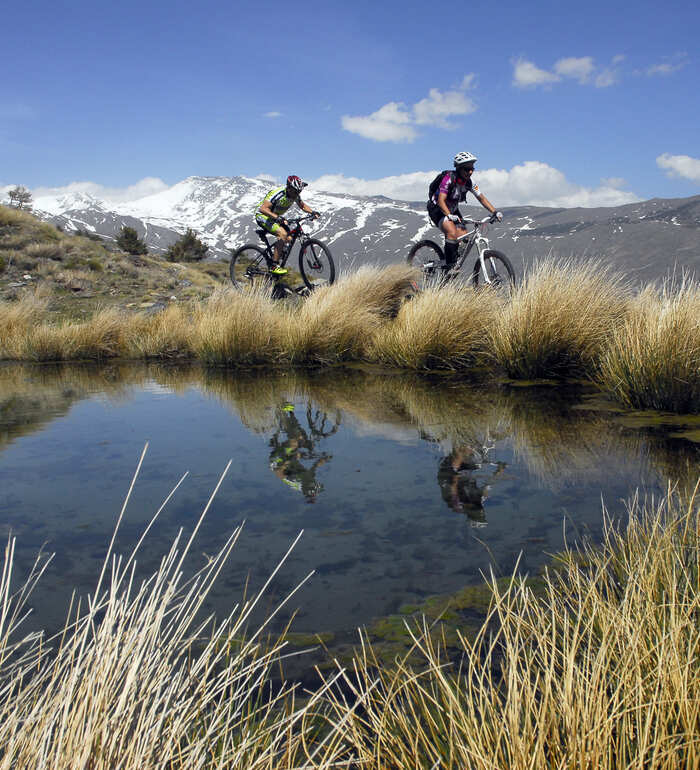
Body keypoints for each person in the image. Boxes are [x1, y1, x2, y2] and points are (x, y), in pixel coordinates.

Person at [427, 151, 503, 272]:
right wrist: (449, 215)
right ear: (458, 168)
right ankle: (449, 267)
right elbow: (441, 200)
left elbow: (481, 198)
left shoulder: (470, 182)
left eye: (472, 169)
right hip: (438, 208)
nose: (470, 172)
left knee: (464, 238)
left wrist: (495, 212)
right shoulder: (449, 178)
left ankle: (453, 258)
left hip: (452, 209)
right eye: (467, 169)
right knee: (452, 232)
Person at [255, 175, 320, 275]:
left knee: (289, 239)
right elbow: (263, 209)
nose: (296, 194)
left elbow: (302, 205)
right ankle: (274, 266)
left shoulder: (295, 193)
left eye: (299, 192)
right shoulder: (278, 194)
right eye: (295, 191)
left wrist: (312, 212)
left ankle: (276, 255)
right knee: (282, 234)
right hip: (263, 216)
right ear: (288, 187)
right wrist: (277, 217)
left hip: (275, 217)